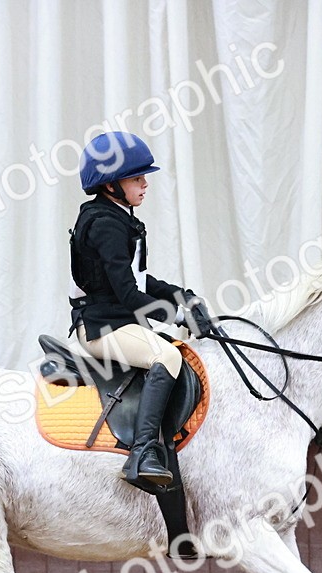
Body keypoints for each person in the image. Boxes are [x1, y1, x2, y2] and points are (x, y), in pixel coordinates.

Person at [67, 131, 213, 489]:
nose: (145, 184)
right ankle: (143, 453)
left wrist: (182, 296)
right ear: (112, 184)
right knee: (167, 357)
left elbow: (140, 281)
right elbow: (131, 296)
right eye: (137, 178)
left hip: (117, 321)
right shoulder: (104, 225)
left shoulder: (118, 218)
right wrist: (178, 316)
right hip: (103, 329)